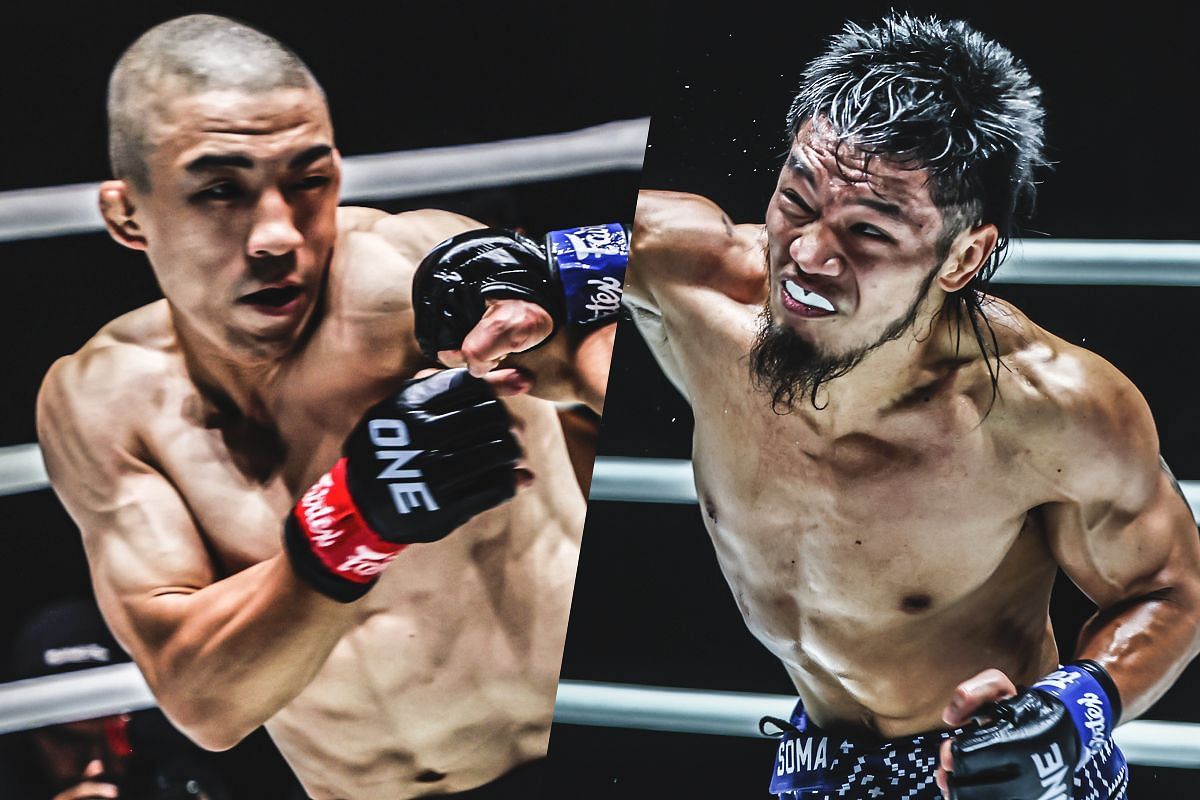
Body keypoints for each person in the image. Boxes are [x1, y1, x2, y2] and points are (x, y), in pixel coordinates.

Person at [434, 14, 1200, 800]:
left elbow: (1171, 589)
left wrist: (1077, 709)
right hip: (818, 765)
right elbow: (595, 242)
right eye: (797, 199)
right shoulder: (701, 289)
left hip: (999, 774)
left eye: (869, 231)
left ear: (964, 256)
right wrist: (524, 272)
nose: (807, 255)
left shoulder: (1048, 407)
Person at [36, 14, 614, 800]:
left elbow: (607, 366)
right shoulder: (106, 400)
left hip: (596, 761)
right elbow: (202, 703)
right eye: (218, 190)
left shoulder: (411, 276)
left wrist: (604, 280)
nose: (278, 233)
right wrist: (354, 522)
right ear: (127, 214)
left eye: (308, 179)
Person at [0, 599, 232, 800]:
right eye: (69, 741)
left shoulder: (167, 767)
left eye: (114, 735)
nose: (96, 765)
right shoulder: (11, 776)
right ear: (27, 738)